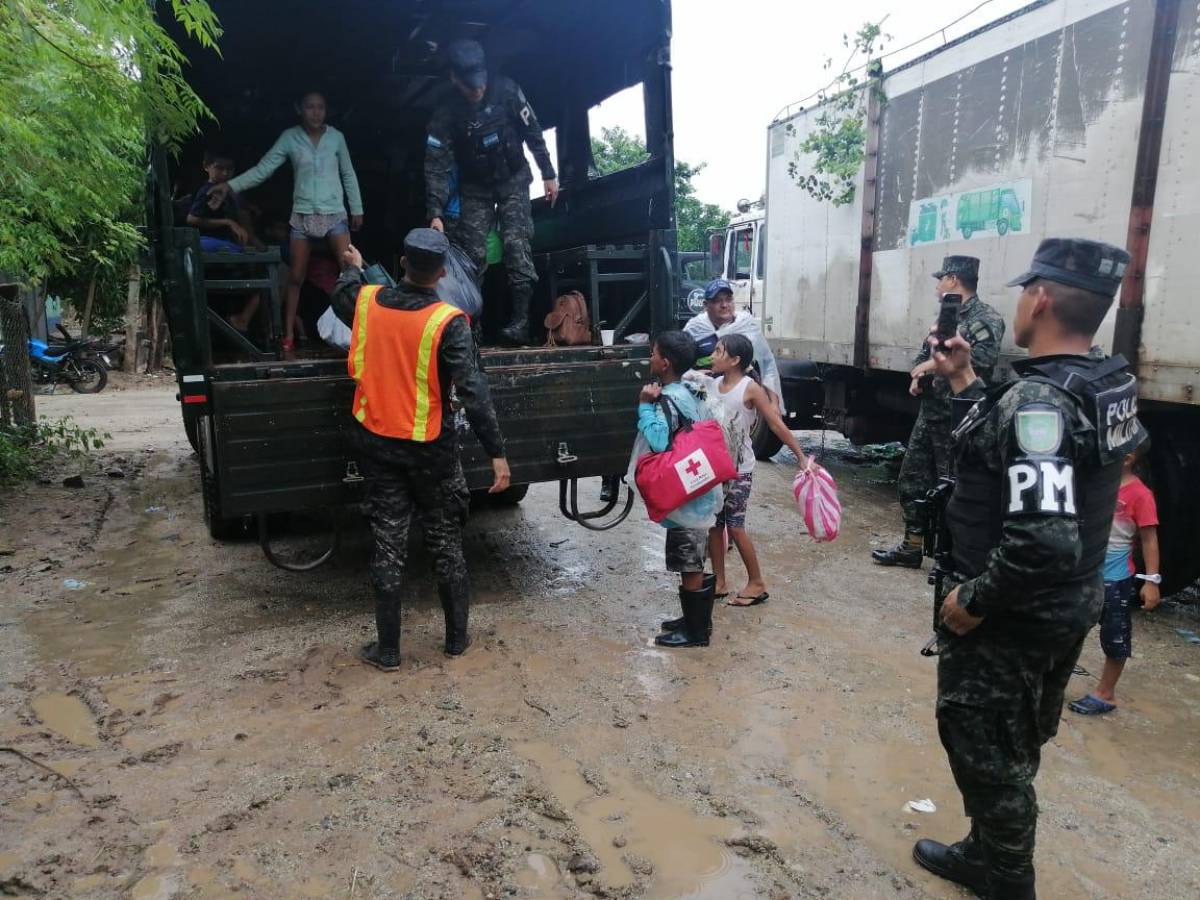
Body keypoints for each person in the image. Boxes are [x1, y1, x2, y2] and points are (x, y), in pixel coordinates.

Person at [913, 238, 1146, 900]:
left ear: (1040, 298)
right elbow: (1055, 468)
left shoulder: (1040, 403)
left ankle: (1005, 879)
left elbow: (1043, 539)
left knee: (985, 749)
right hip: (1069, 603)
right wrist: (963, 381)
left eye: (1024, 292)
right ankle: (986, 850)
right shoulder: (1109, 383)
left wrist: (974, 601)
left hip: (1014, 613)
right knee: (1016, 737)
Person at [329, 228, 510, 671]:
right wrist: (496, 452)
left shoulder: (368, 302)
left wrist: (351, 267)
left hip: (377, 445)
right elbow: (473, 391)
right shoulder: (448, 321)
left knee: (388, 545)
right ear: (445, 272)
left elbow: (344, 294)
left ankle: (388, 651)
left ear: (403, 264)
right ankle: (455, 640)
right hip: (432, 451)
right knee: (446, 541)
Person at [424, 39, 559, 345]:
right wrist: (435, 212)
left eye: (481, 83)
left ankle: (521, 322)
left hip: (513, 179)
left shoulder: (507, 90)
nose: (478, 90)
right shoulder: (446, 112)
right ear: (455, 79)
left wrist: (548, 173)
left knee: (516, 245)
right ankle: (472, 325)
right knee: (473, 255)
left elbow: (532, 131)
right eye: (471, 86)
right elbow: (435, 165)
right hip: (475, 187)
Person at [873, 255, 1004, 568]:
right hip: (931, 410)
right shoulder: (946, 319)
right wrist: (919, 377)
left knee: (954, 487)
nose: (937, 284)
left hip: (958, 416)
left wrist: (928, 366)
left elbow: (982, 360)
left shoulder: (986, 318)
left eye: (941, 278)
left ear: (955, 280)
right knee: (912, 479)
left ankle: (953, 556)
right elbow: (923, 354)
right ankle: (911, 546)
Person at [209, 90, 364, 353]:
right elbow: (264, 168)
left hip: (334, 212)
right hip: (302, 214)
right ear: (299, 109)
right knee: (295, 277)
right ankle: (288, 335)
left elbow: (348, 173)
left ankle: (359, 332)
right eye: (310, 107)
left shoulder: (336, 137)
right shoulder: (290, 138)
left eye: (320, 107)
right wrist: (229, 186)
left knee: (349, 272)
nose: (316, 112)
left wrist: (356, 208)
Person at [701, 334, 810, 605]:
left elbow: (775, 424)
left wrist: (800, 456)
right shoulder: (713, 385)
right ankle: (720, 581)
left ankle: (756, 583)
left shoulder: (750, 388)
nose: (712, 356)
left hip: (739, 470)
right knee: (715, 527)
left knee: (736, 527)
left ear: (735, 360)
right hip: (716, 469)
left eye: (718, 351)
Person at [632, 331, 719, 649]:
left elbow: (659, 440)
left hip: (687, 496)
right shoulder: (688, 390)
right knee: (693, 554)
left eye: (653, 353)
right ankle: (696, 619)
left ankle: (696, 633)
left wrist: (644, 407)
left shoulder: (668, 398)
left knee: (689, 559)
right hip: (697, 489)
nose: (650, 357)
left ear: (665, 363)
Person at [1068, 444, 1161, 715]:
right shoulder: (1096, 484)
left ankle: (1106, 694)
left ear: (1127, 459)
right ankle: (1056, 676)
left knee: (1115, 638)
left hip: (1115, 580)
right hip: (1085, 573)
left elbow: (1149, 538)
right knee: (1069, 625)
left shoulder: (1140, 495)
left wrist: (1151, 581)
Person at [187, 150, 263, 332]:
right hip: (211, 244)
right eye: (219, 168)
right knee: (262, 274)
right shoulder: (208, 190)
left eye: (229, 169)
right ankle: (242, 319)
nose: (224, 173)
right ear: (207, 167)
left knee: (262, 278)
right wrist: (228, 223)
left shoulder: (229, 193)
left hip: (226, 247)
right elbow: (192, 218)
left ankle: (246, 320)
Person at [684, 278, 783, 403]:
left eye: (729, 299)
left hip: (742, 398)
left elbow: (767, 363)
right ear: (705, 305)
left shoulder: (746, 324)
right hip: (703, 397)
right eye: (717, 301)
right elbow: (679, 364)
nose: (725, 305)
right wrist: (694, 375)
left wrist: (774, 403)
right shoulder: (695, 328)